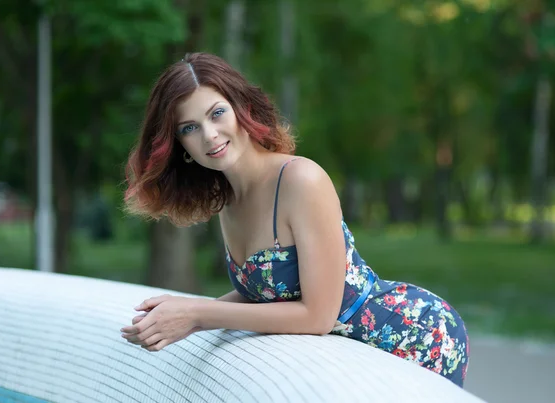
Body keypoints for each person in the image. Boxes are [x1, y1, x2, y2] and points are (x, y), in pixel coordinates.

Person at [120, 52, 469, 387]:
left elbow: (318, 316)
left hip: (409, 335)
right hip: (346, 353)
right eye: (190, 127)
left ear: (242, 108)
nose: (209, 134)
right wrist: (180, 314)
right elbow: (266, 294)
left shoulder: (301, 180)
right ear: (180, 146)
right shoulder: (229, 201)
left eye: (217, 113)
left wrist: (197, 315)